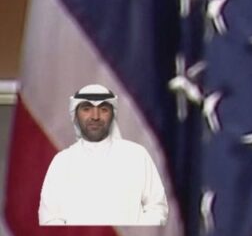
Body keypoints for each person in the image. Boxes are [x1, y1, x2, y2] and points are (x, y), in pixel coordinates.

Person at [38, 84, 168, 226]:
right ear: (75, 115)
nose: (95, 116)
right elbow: (49, 217)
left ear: (113, 115)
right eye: (86, 109)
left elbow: (157, 209)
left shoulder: (137, 156)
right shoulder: (62, 162)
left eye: (103, 109)